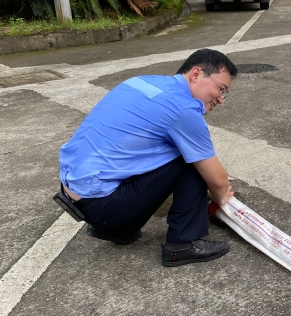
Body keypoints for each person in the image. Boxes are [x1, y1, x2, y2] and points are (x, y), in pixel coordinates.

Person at [57, 49, 237, 268]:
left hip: (73, 188)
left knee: (166, 148)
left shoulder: (142, 81)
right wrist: (221, 199)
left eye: (225, 94)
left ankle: (118, 229)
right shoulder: (183, 109)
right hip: (101, 203)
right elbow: (218, 180)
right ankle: (182, 244)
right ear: (196, 74)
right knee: (190, 157)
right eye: (221, 89)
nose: (221, 100)